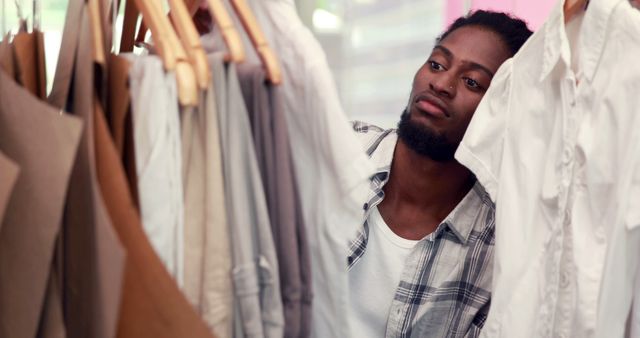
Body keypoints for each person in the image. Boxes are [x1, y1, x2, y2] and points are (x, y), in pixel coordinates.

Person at [347, 10, 533, 338]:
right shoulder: (341, 151)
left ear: (506, 109)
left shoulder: (497, 245)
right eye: (437, 64)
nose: (442, 84)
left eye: (472, 82)